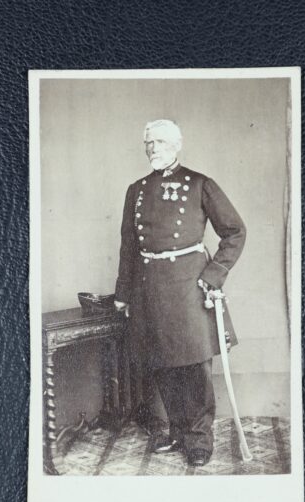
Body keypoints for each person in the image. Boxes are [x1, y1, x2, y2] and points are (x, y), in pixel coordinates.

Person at [114, 119, 246, 467]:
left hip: (190, 285)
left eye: (159, 142)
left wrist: (214, 274)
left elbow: (235, 231)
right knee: (162, 362)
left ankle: (199, 439)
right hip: (149, 287)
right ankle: (176, 431)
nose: (152, 148)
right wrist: (123, 293)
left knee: (195, 364)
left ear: (176, 144)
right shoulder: (136, 190)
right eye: (148, 143)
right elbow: (129, 246)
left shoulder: (200, 184)